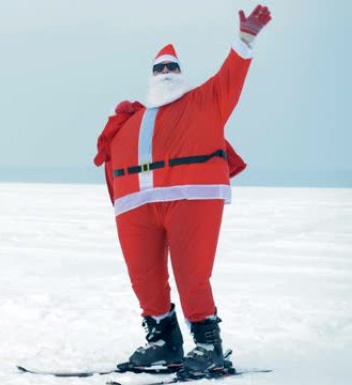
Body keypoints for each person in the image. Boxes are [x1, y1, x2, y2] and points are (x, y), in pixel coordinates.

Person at [93, 5, 272, 375]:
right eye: (160, 69)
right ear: (151, 76)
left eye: (172, 68)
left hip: (191, 196)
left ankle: (208, 345)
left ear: (181, 75)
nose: (165, 73)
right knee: (143, 277)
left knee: (192, 273)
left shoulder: (204, 102)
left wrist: (246, 39)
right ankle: (163, 342)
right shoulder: (131, 117)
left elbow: (230, 77)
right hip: (137, 205)